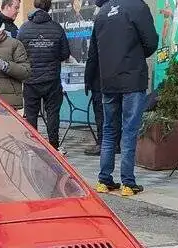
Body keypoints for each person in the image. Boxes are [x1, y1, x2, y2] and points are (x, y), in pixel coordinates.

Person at [86, 0, 156, 196]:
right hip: (132, 78)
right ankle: (128, 183)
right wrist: (134, 54)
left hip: (108, 79)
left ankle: (104, 180)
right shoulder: (138, 7)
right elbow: (151, 42)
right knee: (129, 131)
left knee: (109, 130)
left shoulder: (103, 12)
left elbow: (94, 50)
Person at [18, 0, 69, 150]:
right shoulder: (57, 28)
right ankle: (53, 146)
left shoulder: (24, 29)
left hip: (30, 79)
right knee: (53, 113)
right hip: (51, 79)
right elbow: (65, 53)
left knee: (31, 115)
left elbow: (19, 54)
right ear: (49, 6)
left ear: (35, 5)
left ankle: (34, 147)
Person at [82, 0, 109, 155]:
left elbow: (92, 56)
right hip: (117, 78)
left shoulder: (99, 24)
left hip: (100, 80)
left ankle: (102, 144)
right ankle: (115, 144)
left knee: (101, 114)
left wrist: (87, 79)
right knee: (114, 113)